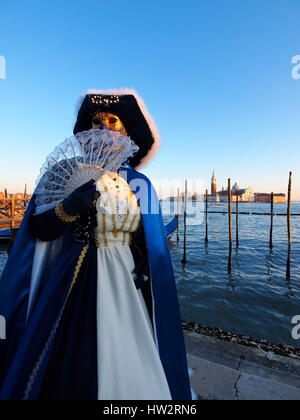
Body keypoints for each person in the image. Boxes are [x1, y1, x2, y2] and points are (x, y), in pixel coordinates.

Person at [0, 89, 192, 400]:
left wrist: (145, 266)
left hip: (126, 281)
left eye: (112, 122)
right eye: (96, 123)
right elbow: (39, 230)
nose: (103, 129)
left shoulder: (139, 184)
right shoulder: (62, 176)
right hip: (69, 279)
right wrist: (71, 206)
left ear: (126, 132)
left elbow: (150, 239)